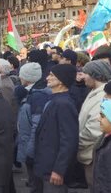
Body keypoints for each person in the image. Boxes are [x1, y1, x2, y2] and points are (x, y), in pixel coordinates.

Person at [33, 64, 79, 192]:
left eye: (52, 75)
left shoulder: (64, 104)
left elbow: (69, 140)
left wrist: (59, 170)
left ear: (61, 81)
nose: (47, 78)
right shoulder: (56, 100)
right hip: (45, 166)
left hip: (52, 169)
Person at [77, 60, 111, 188]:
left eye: (85, 73)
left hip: (93, 155)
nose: (82, 77)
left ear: (95, 75)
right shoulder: (95, 92)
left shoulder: (102, 96)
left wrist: (78, 143)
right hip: (89, 154)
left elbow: (94, 129)